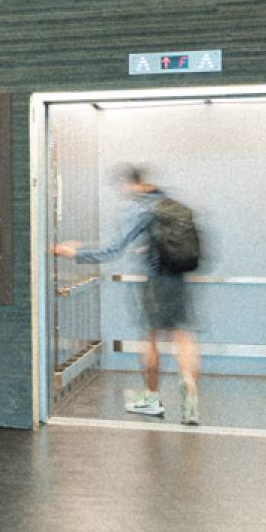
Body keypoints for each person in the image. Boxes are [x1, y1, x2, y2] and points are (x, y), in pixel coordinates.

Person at [53, 165, 203, 425]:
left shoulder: (142, 209)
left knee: (151, 338)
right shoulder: (171, 204)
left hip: (155, 281)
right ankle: (190, 389)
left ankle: (152, 398)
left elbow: (113, 249)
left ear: (134, 184)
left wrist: (74, 253)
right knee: (183, 336)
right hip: (178, 280)